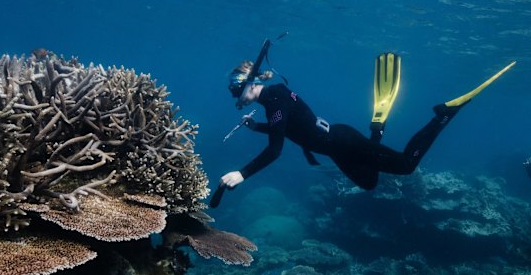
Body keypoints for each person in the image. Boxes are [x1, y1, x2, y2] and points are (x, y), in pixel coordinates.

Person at [217, 49, 515, 199]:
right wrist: (258, 128)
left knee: (406, 166)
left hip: (343, 142)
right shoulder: (273, 100)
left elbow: (275, 149)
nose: (234, 95)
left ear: (251, 81)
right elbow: (287, 127)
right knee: (370, 183)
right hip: (337, 147)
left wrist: (243, 174)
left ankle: (443, 115)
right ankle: (378, 128)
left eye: (235, 87)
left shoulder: (275, 100)